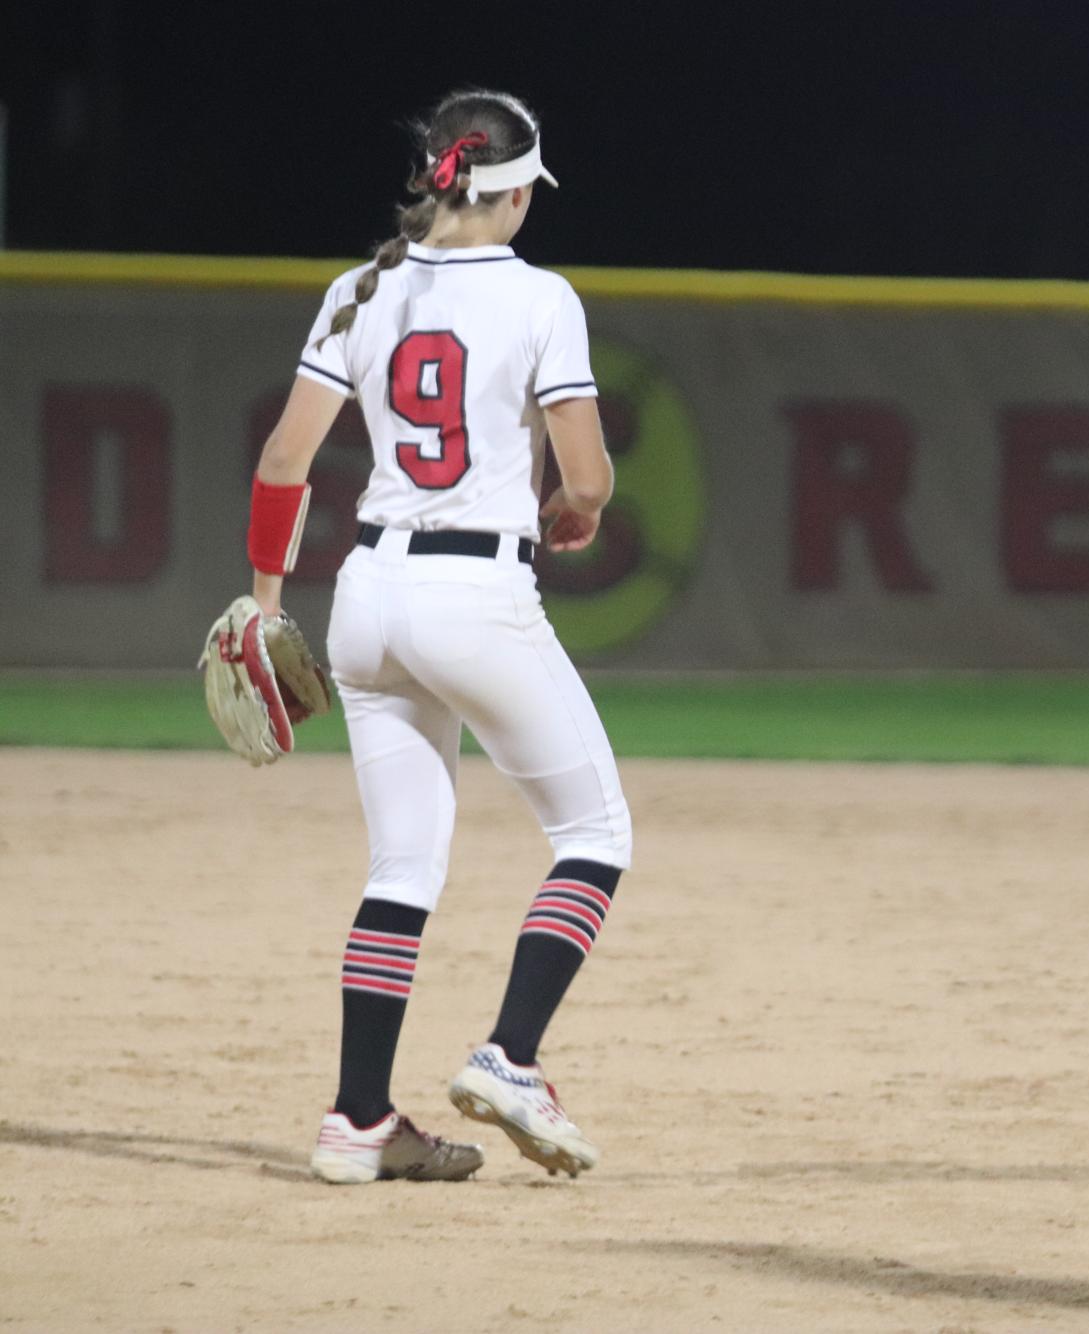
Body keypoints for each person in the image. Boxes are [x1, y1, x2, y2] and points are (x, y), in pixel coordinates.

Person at [240, 89, 634, 1184]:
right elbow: (590, 476)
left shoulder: (356, 290)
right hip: (475, 596)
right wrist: (580, 507)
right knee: (596, 833)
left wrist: (267, 605)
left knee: (403, 862)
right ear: (505, 192)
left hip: (364, 596)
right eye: (524, 197)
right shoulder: (541, 297)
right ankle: (511, 1054)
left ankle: (357, 1117)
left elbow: (284, 463)